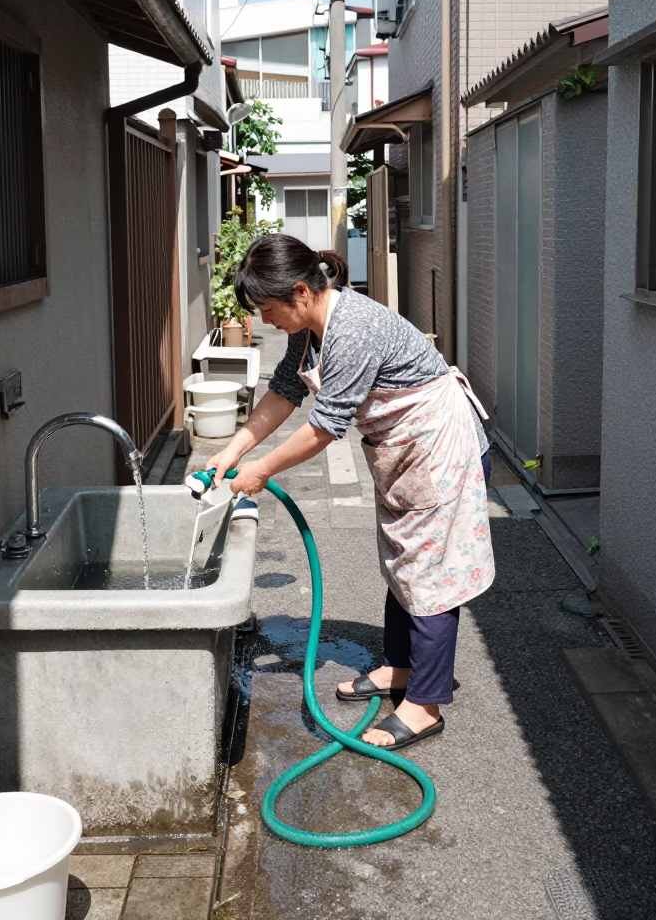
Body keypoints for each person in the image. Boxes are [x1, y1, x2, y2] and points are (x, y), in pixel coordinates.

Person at [207, 235, 494, 751]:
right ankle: (400, 667)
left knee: (430, 577)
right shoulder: (310, 329)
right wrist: (233, 450)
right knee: (402, 563)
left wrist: (261, 470)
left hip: (441, 450)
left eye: (269, 309)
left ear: (300, 292)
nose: (266, 320)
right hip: (406, 451)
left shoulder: (354, 328)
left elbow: (324, 426)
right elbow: (284, 393)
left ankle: (425, 704)